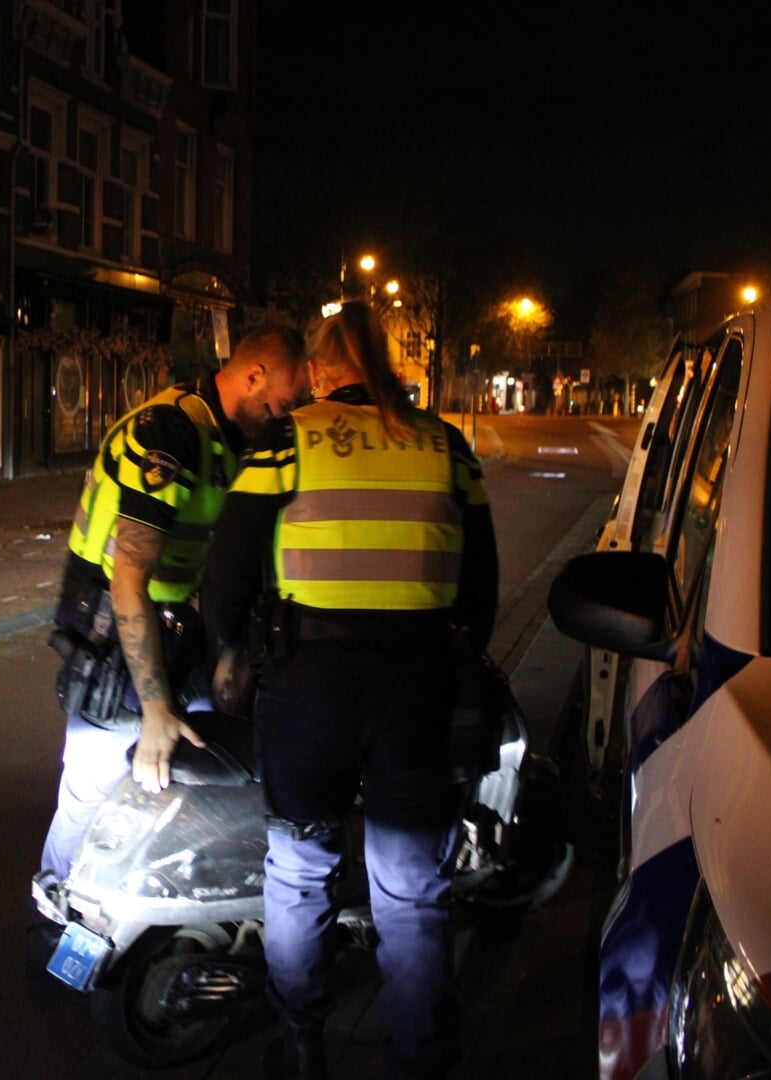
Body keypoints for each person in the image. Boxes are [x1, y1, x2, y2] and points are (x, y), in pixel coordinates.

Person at [204, 303, 499, 1078]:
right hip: (414, 684)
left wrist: (232, 650)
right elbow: (482, 592)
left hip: (309, 689)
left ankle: (302, 1044)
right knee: (410, 884)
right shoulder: (446, 445)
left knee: (300, 869)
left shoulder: (288, 442)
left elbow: (226, 581)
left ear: (326, 369)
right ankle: (422, 1057)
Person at [29, 326, 307, 960]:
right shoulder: (169, 434)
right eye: (286, 402)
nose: (286, 417)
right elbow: (130, 581)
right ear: (255, 374)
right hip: (110, 617)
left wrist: (231, 650)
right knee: (94, 781)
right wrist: (155, 711)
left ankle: (165, 912)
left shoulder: (238, 443)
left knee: (200, 763)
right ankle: (52, 925)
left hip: (176, 618)